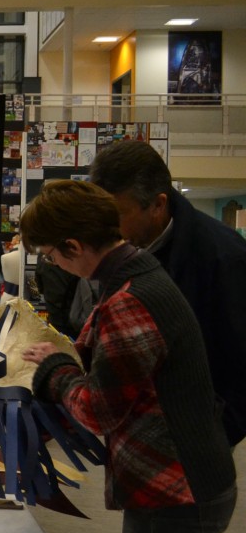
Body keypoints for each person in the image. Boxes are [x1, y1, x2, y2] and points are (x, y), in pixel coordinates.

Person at [20, 179, 236, 533]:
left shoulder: (128, 299)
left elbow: (96, 410)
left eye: (51, 255)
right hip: (184, 481)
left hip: (172, 492)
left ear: (73, 245)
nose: (54, 265)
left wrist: (55, 370)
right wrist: (66, 355)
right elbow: (110, 355)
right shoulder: (137, 274)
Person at [89, 139, 246, 447]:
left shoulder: (225, 258)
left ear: (158, 205)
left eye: (117, 214)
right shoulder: (127, 249)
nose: (107, 227)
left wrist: (210, 437)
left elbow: (240, 367)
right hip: (137, 438)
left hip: (193, 445)